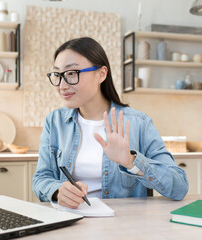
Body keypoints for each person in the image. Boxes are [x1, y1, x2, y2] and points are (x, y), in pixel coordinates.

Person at [32, 37, 188, 209]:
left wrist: (131, 162)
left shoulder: (139, 123)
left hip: (122, 228)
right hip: (70, 222)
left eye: (71, 73)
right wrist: (57, 191)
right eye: (57, 74)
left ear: (101, 74)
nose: (62, 85)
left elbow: (179, 187)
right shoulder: (55, 122)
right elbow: (41, 178)